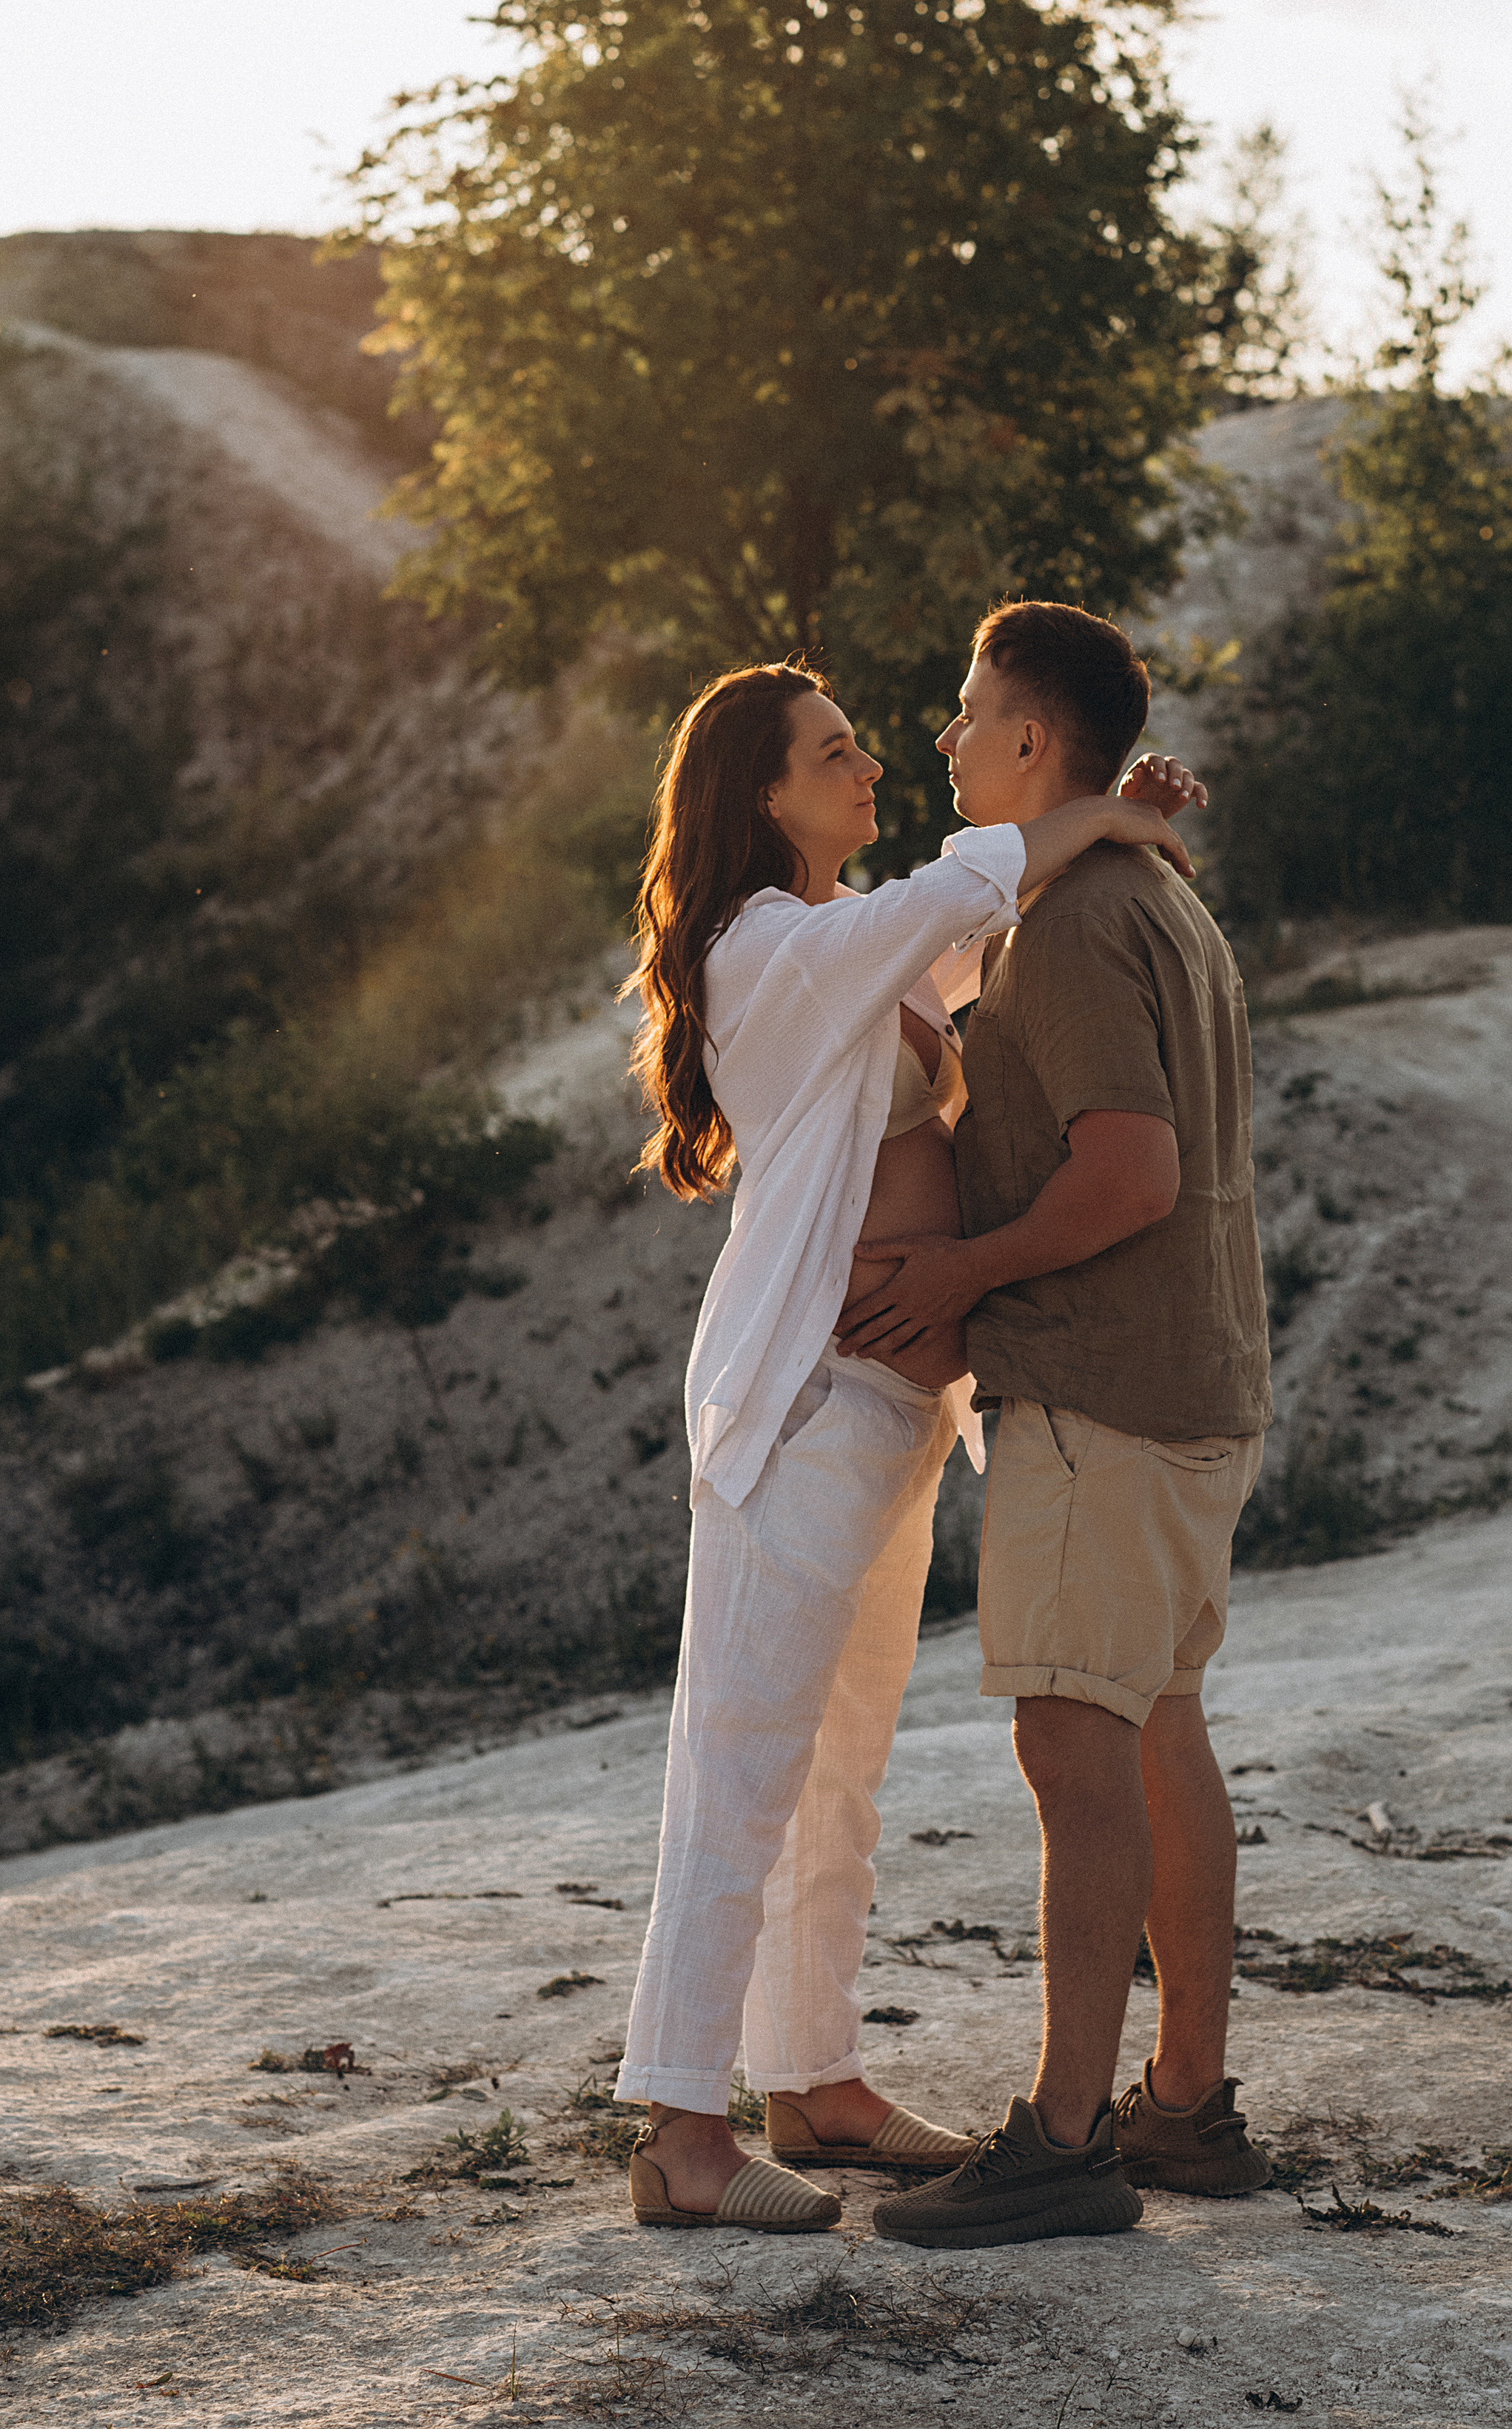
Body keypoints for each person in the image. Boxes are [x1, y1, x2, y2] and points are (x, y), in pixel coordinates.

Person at [614, 658, 1198, 2234]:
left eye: (868, 743)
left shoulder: (852, 942)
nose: (870, 762)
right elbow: (973, 881)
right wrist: (1085, 818)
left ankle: (812, 2080)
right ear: (758, 792)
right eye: (834, 751)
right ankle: (680, 2130)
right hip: (802, 1400)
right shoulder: (767, 945)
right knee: (735, 1769)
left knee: (837, 1774)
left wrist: (1106, 821)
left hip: (891, 1415)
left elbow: (974, 938)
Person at [836, 600, 1273, 2250]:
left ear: (1031, 741)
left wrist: (961, 1265)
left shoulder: (1080, 917)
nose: (942, 740)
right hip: (1190, 1381)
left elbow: (1128, 1173)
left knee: (1071, 1751)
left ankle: (1065, 2139)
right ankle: (1185, 2107)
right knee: (1158, 1730)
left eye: (962, 714)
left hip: (1101, 1384)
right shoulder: (1148, 888)